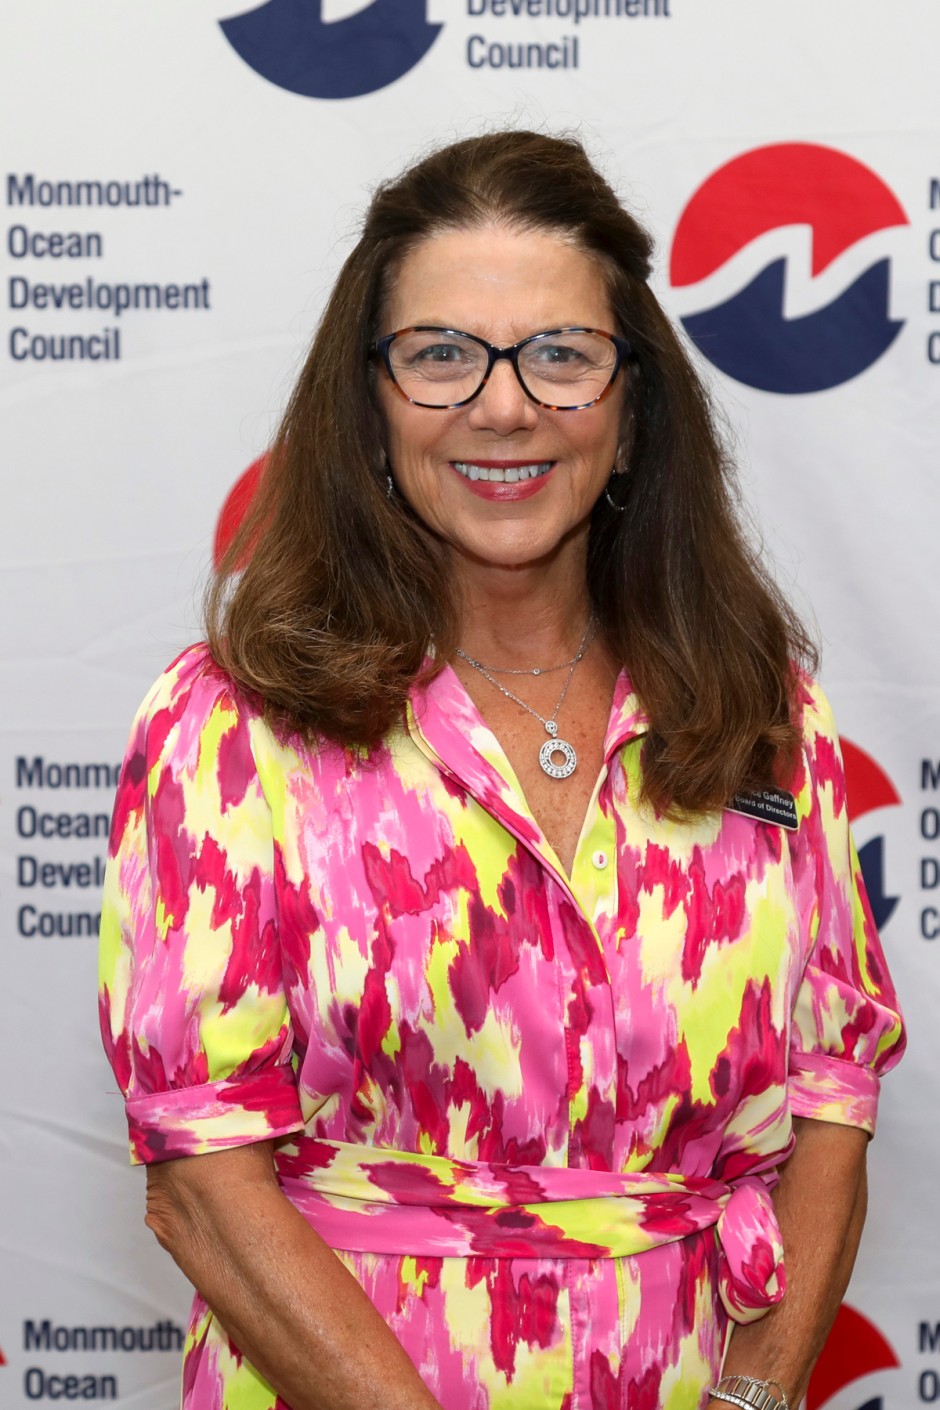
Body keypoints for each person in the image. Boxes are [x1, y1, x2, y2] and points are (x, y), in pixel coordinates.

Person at [98, 130, 904, 1410]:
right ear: (368, 407)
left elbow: (830, 1101)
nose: (504, 405)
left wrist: (750, 1400)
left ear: (631, 413)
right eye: (440, 355)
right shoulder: (235, 725)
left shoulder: (760, 713)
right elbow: (202, 1178)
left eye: (561, 354)